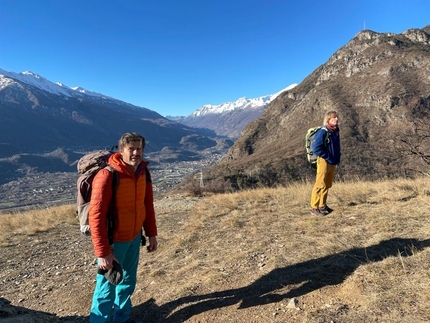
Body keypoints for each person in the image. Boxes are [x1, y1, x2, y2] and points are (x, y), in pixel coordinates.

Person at [88, 132, 158, 323]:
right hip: (113, 243)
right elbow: (96, 216)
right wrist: (103, 252)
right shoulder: (107, 175)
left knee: (127, 283)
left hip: (134, 238)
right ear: (122, 150)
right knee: (106, 288)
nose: (136, 152)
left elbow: (147, 205)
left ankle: (122, 319)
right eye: (131, 149)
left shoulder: (143, 172)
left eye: (139, 148)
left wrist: (151, 234)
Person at [310, 111, 341, 216]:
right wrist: (327, 156)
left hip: (332, 161)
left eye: (337, 117)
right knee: (320, 184)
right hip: (324, 161)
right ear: (328, 120)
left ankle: (322, 205)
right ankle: (314, 207)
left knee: (327, 184)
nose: (336, 119)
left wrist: (336, 157)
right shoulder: (324, 132)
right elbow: (316, 148)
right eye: (334, 118)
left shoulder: (335, 131)